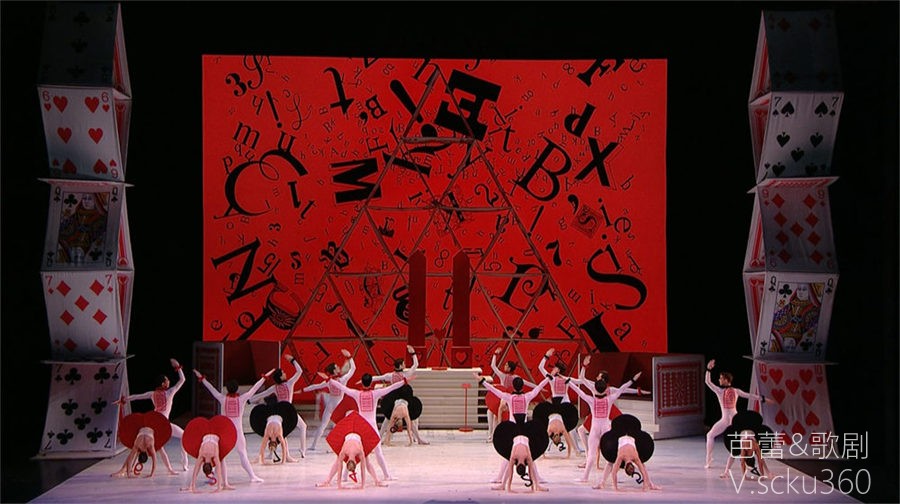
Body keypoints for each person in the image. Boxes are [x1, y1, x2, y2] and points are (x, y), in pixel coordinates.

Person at [321, 371, 410, 481]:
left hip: (361, 427)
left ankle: (344, 476)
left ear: (362, 383)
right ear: (371, 382)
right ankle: (387, 475)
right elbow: (391, 388)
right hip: (372, 426)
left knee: (351, 452)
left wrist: (330, 380)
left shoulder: (357, 394)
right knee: (378, 452)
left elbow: (343, 388)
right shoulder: (376, 393)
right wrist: (404, 382)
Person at [194, 367, 275, 483]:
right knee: (242, 455)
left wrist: (201, 378)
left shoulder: (222, 398)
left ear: (227, 388)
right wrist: (265, 377)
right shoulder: (242, 399)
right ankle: (252, 476)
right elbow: (254, 388)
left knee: (220, 457)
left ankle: (217, 477)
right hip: (237, 432)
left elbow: (211, 389)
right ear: (237, 388)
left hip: (225, 433)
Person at [476, 371, 550, 485]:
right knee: (529, 454)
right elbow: (538, 387)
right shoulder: (527, 396)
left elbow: (494, 390)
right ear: (522, 386)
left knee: (509, 454)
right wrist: (548, 378)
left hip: (512, 429)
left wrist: (482, 381)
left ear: (513, 386)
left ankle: (500, 478)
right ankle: (537, 477)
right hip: (525, 429)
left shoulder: (509, 397)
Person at [568, 370, 640, 483]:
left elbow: (579, 392)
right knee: (611, 455)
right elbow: (622, 389)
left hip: (595, 429)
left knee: (591, 454)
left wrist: (568, 382)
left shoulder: (591, 400)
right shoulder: (609, 399)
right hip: (606, 429)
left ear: (595, 389)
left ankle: (585, 477)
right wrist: (633, 380)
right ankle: (612, 477)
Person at [117, 358, 189, 471]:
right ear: (163, 383)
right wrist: (178, 367)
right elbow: (182, 380)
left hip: (156, 424)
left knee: (151, 447)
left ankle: (175, 467)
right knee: (179, 438)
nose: (169, 381)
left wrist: (125, 399)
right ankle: (182, 465)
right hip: (162, 424)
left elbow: (137, 396)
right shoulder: (170, 392)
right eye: (167, 380)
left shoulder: (153, 394)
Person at [704, 359, 770, 469]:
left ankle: (749, 461)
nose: (719, 380)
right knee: (710, 435)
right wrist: (762, 399)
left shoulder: (726, 391)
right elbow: (750, 396)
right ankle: (709, 460)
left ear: (726, 380)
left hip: (733, 420)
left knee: (743, 441)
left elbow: (749, 395)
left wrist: (708, 369)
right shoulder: (728, 391)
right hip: (733, 420)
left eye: (721, 378)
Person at [249, 352, 308, 457]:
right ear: (281, 377)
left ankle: (275, 454)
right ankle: (302, 451)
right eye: (283, 373)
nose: (285, 373)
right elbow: (300, 371)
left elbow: (262, 394)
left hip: (280, 411)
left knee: (281, 433)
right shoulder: (289, 384)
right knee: (302, 427)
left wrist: (250, 400)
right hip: (289, 411)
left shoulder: (274, 387)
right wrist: (292, 360)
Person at [372, 345, 428, 444]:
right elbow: (415, 364)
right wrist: (413, 353)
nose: (405, 364)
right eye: (404, 363)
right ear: (401, 366)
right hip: (402, 400)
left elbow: (377, 377)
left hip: (394, 400)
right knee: (410, 419)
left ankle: (379, 438)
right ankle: (418, 438)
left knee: (388, 419)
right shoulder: (406, 375)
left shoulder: (390, 376)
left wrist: (365, 380)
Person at [317, 411, 387, 489]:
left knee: (338, 462)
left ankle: (328, 480)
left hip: (354, 435)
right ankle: (376, 480)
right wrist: (362, 485)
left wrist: (339, 485)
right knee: (367, 461)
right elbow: (363, 469)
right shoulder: (357, 451)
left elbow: (340, 468)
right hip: (353, 434)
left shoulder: (345, 451)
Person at [303, 348, 355, 451]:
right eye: (337, 367)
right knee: (342, 427)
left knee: (323, 425)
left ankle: (313, 445)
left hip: (330, 405)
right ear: (334, 370)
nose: (339, 367)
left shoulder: (329, 381)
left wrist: (302, 390)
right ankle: (340, 445)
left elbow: (314, 386)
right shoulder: (342, 380)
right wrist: (349, 357)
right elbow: (353, 369)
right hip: (338, 406)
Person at [533, 348, 581, 457]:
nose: (552, 369)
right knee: (552, 426)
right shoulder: (552, 379)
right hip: (556, 403)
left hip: (565, 403)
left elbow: (580, 382)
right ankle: (549, 447)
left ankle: (576, 449)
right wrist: (546, 356)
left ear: (558, 370)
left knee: (569, 427)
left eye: (554, 368)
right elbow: (540, 368)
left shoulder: (564, 379)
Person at [487, 347, 538, 442]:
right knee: (490, 412)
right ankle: (492, 435)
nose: (504, 366)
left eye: (506, 365)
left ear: (510, 368)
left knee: (497, 413)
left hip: (509, 399)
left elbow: (527, 383)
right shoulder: (503, 375)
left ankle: (498, 433)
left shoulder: (515, 377)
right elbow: (493, 366)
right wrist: (495, 354)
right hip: (503, 397)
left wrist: (538, 387)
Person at [181, 415, 238, 493]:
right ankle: (225, 484)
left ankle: (224, 484)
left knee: (221, 458)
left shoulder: (203, 455)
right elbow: (218, 470)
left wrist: (193, 486)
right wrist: (218, 488)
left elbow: (196, 470)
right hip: (211, 437)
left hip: (212, 436)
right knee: (222, 459)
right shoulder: (211, 455)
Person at [111, 411, 175, 478]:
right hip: (146, 430)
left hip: (144, 430)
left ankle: (123, 469)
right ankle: (169, 469)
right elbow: (154, 461)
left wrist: (129, 474)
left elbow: (130, 458)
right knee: (161, 450)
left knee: (160, 449)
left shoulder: (140, 445)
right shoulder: (145, 445)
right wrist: (151, 474)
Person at [719, 410, 773, 480]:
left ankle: (726, 472)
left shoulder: (752, 448)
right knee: (733, 453)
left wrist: (763, 475)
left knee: (734, 453)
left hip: (745, 426)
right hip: (747, 426)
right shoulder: (753, 447)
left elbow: (760, 461)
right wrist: (764, 474)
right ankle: (726, 472)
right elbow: (760, 461)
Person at [250, 395, 299, 464]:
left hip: (276, 415)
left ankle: (286, 457)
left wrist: (263, 461)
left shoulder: (275, 435)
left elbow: (263, 448)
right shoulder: (271, 435)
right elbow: (263, 448)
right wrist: (283, 461)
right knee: (272, 406)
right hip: (273, 415)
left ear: (276, 443)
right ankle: (287, 457)